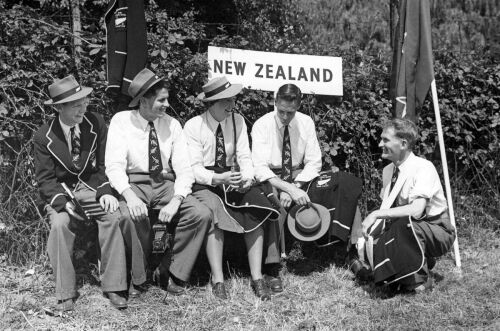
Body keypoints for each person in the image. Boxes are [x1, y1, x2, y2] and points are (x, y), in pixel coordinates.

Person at [105, 68, 212, 297]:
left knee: (200, 214)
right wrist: (130, 196)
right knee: (128, 216)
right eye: (161, 100)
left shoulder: (172, 124)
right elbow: (114, 166)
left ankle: (170, 272)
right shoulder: (122, 121)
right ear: (144, 100)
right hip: (133, 183)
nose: (166, 105)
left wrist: (177, 199)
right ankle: (139, 276)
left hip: (164, 184)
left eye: (167, 99)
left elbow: (184, 169)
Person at [34, 75, 131, 311]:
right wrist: (61, 202)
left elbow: (103, 164)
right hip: (62, 192)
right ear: (59, 107)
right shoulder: (43, 136)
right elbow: (45, 180)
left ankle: (114, 286)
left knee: (114, 216)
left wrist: (106, 191)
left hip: (91, 187)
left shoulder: (95, 123)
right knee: (59, 225)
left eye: (85, 101)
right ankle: (66, 293)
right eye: (76, 104)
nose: (83, 108)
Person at [251, 83, 362, 285]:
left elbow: (314, 161)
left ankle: (352, 251)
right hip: (271, 177)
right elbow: (259, 168)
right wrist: (288, 188)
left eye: (290, 113)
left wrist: (297, 185)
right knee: (272, 201)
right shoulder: (261, 124)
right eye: (281, 111)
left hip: (300, 175)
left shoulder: (306, 122)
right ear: (275, 102)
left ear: (299, 106)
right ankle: (271, 267)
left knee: (344, 184)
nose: (285, 117)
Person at [184, 76, 281, 300]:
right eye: (226, 101)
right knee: (214, 210)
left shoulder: (237, 121)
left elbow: (245, 156)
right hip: (206, 182)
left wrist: (246, 178)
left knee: (255, 203)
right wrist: (219, 178)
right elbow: (194, 168)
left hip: (233, 177)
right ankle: (219, 280)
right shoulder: (194, 126)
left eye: (233, 100)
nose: (232, 105)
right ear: (212, 103)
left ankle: (257, 277)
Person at [357, 118, 456, 293]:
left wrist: (376, 214)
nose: (380, 144)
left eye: (385, 140)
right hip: (405, 229)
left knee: (406, 226)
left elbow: (417, 209)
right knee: (368, 243)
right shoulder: (388, 171)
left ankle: (419, 281)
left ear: (403, 143)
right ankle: (417, 262)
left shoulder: (423, 167)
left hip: (437, 230)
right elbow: (391, 210)